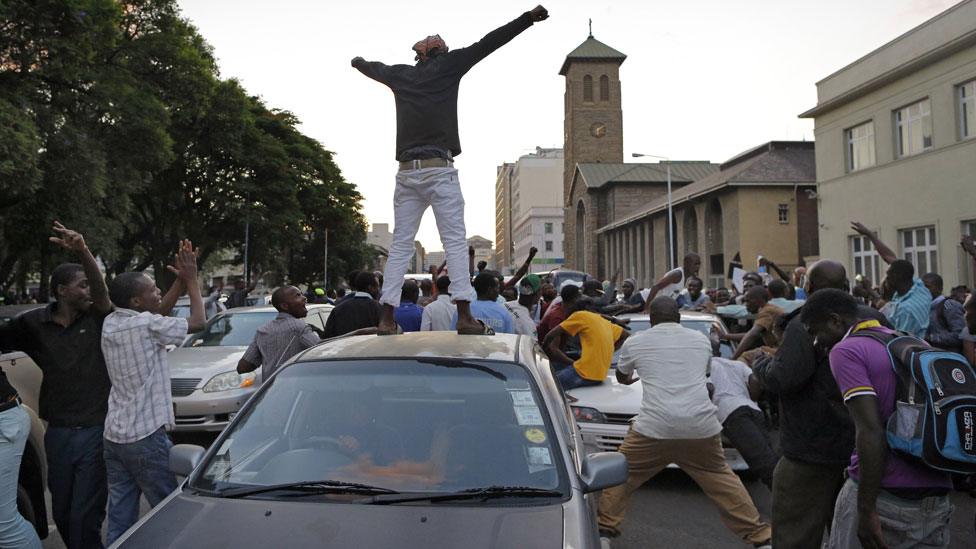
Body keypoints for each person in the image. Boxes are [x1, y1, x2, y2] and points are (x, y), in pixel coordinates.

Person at [352, 6, 549, 335]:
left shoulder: (402, 74)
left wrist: (358, 62)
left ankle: (386, 318)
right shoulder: (449, 66)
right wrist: (528, 18)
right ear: (440, 52)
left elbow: (372, 67)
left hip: (406, 173)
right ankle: (465, 316)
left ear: (419, 56)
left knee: (401, 244)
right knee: (455, 242)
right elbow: (491, 41)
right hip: (439, 169)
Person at [597, 297, 771, 547]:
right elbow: (704, 374)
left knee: (621, 474)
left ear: (651, 320)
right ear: (678, 317)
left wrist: (630, 377)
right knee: (723, 482)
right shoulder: (700, 341)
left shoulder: (636, 342)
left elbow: (623, 376)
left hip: (653, 428)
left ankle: (605, 531)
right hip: (700, 427)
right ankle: (760, 537)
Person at [751, 259, 890, 549]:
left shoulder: (807, 323)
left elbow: (785, 378)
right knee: (850, 537)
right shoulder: (876, 318)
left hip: (810, 452)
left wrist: (762, 363)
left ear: (809, 287)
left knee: (795, 536)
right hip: (864, 452)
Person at [800, 290, 954, 549]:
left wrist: (866, 509)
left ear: (835, 321)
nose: (816, 343)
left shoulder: (846, 351)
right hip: (935, 500)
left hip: (885, 496)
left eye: (815, 332)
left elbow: (871, 431)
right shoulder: (911, 342)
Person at [100, 240, 206, 545]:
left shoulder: (111, 323)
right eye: (151, 289)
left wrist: (180, 281)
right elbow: (198, 322)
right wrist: (192, 281)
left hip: (115, 436)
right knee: (168, 510)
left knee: (120, 514)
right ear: (135, 301)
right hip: (146, 436)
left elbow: (155, 311)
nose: (158, 292)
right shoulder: (146, 325)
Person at [709, 355, 777, 490]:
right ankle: (785, 494)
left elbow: (709, 389)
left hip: (731, 412)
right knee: (768, 455)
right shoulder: (736, 364)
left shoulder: (704, 367)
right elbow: (755, 380)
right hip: (753, 409)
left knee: (764, 464)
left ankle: (786, 500)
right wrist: (752, 397)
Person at [851, 221, 930, 337]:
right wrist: (869, 234)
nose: (884, 279)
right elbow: (889, 257)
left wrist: (871, 292)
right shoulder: (918, 286)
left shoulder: (906, 310)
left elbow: (899, 340)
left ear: (895, 279)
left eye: (887, 276)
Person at [543, 295, 628, 391]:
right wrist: (610, 350)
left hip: (584, 372)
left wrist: (543, 350)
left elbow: (551, 335)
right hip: (600, 375)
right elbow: (626, 335)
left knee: (546, 386)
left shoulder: (579, 315)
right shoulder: (603, 321)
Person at [237, 286, 322, 380]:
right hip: (297, 389)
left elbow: (243, 367)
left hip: (270, 390)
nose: (304, 298)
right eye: (298, 295)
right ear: (284, 306)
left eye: (301, 294)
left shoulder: (262, 331)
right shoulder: (299, 327)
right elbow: (323, 353)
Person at [728, 286, 784, 363]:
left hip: (782, 351)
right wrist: (725, 336)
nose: (745, 304)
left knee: (744, 357)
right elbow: (749, 334)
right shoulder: (764, 310)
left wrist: (732, 359)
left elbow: (752, 335)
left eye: (748, 301)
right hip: (780, 350)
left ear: (759, 300)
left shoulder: (767, 311)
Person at [450, 272, 515, 334]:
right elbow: (510, 339)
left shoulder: (462, 311)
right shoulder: (503, 312)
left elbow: (453, 334)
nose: (499, 292)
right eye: (497, 288)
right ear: (490, 290)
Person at [323, 272, 383, 338]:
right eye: (377, 286)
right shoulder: (379, 309)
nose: (378, 290)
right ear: (370, 287)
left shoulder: (338, 309)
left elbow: (327, 337)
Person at [921, 272, 967, 353]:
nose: (923, 290)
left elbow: (960, 335)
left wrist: (929, 337)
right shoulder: (925, 307)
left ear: (939, 288)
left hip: (950, 359)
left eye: (927, 287)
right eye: (921, 287)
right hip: (932, 358)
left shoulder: (949, 306)